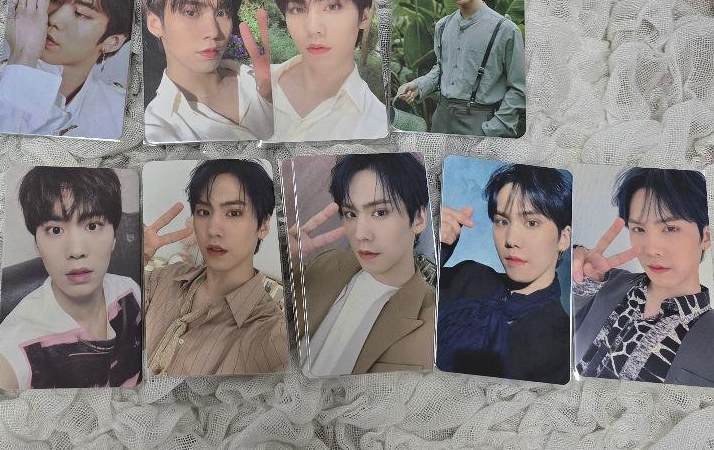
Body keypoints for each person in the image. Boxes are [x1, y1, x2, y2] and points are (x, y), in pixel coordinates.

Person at [290, 154, 435, 375]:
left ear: (418, 219)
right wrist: (286, 258)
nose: (360, 234)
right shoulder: (327, 263)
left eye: (380, 212)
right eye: (351, 213)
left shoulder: (434, 321)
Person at [0, 167, 141, 389]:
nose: (76, 251)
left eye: (92, 226)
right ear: (36, 244)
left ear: (114, 236)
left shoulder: (130, 293)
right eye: (55, 230)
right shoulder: (14, 349)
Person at [144, 159, 288, 376]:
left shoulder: (270, 335)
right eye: (204, 212)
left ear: (264, 225)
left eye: (234, 213)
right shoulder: (163, 278)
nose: (213, 230)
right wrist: (131, 258)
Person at [573, 168, 714, 386]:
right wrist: (573, 261)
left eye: (670, 228)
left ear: (705, 236)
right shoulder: (602, 281)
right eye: (639, 229)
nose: (651, 250)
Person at [436, 162, 572, 383]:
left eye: (531, 223)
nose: (510, 240)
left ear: (563, 238)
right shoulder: (466, 277)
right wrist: (432, 250)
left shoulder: (563, 345)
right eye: (502, 221)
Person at [0, 0, 135, 140]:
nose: (55, 19)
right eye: (56, 0)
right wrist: (23, 56)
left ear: (112, 41)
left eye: (81, 13)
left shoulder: (120, 110)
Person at [140, 0, 272, 144]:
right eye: (191, 12)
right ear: (155, 24)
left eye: (221, 12)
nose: (213, 31)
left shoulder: (262, 80)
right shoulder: (158, 129)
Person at [394, 0, 526, 137]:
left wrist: (493, 129)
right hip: (441, 119)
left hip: (480, 122)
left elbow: (519, 88)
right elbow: (441, 69)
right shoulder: (442, 26)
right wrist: (418, 86)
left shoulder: (505, 30)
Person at [268, 0, 387, 142]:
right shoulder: (252, 86)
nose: (313, 28)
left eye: (332, 6)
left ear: (363, 17)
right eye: (297, 9)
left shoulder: (376, 126)